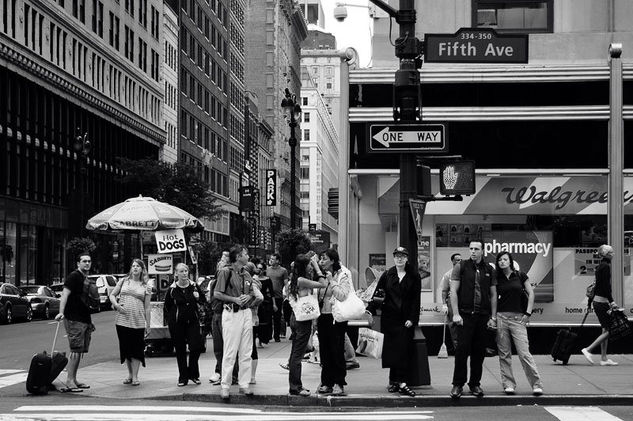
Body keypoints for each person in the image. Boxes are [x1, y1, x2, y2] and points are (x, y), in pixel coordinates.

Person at [449, 240, 497, 399]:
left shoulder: (489, 269)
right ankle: (458, 384)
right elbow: (453, 292)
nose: (473, 251)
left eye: (476, 249)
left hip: (483, 317)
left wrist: (493, 317)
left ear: (483, 251)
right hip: (465, 316)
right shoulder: (461, 266)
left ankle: (475, 384)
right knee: (461, 351)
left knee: (479, 352)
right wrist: (455, 314)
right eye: (471, 249)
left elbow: (493, 295)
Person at [371, 247, 421, 397]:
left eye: (402, 256)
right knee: (392, 352)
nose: (399, 259)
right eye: (397, 256)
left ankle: (402, 382)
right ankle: (394, 381)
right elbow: (378, 294)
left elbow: (415, 300)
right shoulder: (387, 274)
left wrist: (412, 319)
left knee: (403, 351)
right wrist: (369, 310)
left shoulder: (414, 275)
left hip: (405, 320)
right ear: (393, 258)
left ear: (407, 258)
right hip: (390, 319)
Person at [214, 245, 261, 400]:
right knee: (230, 350)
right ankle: (225, 385)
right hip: (231, 312)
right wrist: (234, 299)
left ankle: (244, 384)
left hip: (246, 312)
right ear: (238, 256)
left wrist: (249, 297)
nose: (247, 256)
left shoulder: (246, 273)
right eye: (245, 254)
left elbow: (254, 292)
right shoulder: (225, 272)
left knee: (246, 350)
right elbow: (217, 293)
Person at [494, 252, 543, 396]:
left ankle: (536, 384)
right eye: (500, 260)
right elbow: (492, 297)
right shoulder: (496, 278)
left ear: (510, 261)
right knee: (504, 354)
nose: (502, 262)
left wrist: (528, 313)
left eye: (505, 259)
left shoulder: (520, 276)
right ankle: (508, 384)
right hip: (501, 317)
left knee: (524, 353)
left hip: (518, 318)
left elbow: (531, 294)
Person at [54, 253, 95, 392]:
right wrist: (61, 312)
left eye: (89, 261)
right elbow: (64, 294)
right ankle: (70, 380)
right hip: (73, 318)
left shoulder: (84, 278)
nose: (87, 263)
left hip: (83, 318)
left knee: (80, 350)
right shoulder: (74, 276)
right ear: (78, 263)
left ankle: (74, 379)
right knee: (75, 350)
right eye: (84, 261)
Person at [287, 254, 327, 396]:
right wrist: (317, 268)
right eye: (309, 264)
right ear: (304, 266)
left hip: (296, 318)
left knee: (295, 354)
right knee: (297, 355)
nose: (311, 266)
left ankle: (294, 386)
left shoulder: (296, 279)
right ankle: (296, 387)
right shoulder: (302, 280)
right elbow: (323, 283)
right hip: (302, 320)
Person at [109, 258, 152, 386]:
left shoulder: (146, 286)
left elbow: (147, 307)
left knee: (137, 348)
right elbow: (112, 295)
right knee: (126, 348)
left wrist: (148, 325)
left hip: (138, 320)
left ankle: (135, 376)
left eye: (138, 266)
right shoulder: (123, 281)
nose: (135, 268)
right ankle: (129, 374)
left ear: (142, 269)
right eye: (133, 266)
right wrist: (116, 305)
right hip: (122, 320)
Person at [317, 248, 352, 396]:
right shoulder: (319, 275)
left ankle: (339, 382)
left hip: (336, 318)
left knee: (336, 350)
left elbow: (343, 295)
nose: (321, 262)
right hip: (322, 316)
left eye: (324, 259)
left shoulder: (342, 274)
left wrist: (331, 280)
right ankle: (326, 382)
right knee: (324, 351)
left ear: (332, 260)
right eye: (320, 259)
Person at [164, 263, 207, 387]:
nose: (184, 273)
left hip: (192, 321)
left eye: (186, 271)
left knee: (196, 347)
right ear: (176, 274)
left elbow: (203, 301)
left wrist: (198, 298)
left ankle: (193, 373)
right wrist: (171, 320)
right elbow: (167, 307)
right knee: (180, 350)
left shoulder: (194, 286)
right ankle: (183, 377)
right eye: (181, 271)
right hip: (177, 324)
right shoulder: (172, 289)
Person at [582, 244, 620, 366]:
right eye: (611, 252)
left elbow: (596, 285)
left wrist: (589, 303)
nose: (613, 254)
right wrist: (612, 301)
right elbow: (605, 286)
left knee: (605, 329)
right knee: (611, 329)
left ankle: (604, 358)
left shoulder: (600, 266)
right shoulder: (605, 267)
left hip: (598, 301)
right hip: (602, 302)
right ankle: (588, 349)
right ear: (607, 254)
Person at [208, 250, 230, 385]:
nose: (222, 261)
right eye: (221, 258)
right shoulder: (215, 280)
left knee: (226, 346)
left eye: (225, 258)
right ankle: (220, 372)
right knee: (218, 346)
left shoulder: (230, 275)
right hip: (216, 313)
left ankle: (226, 374)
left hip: (225, 313)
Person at [243, 261, 264, 385]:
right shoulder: (253, 281)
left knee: (250, 348)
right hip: (253, 318)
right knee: (251, 348)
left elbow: (260, 297)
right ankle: (251, 376)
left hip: (250, 318)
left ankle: (251, 376)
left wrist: (250, 305)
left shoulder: (251, 283)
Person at [439, 253, 462, 350]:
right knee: (453, 324)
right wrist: (444, 304)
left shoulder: (464, 273)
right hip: (452, 303)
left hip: (463, 301)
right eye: (457, 260)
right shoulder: (448, 275)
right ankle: (457, 348)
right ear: (452, 261)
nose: (459, 261)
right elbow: (444, 291)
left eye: (460, 259)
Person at [267, 253, 289, 342]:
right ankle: (268, 336)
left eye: (273, 259)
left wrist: (286, 294)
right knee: (268, 317)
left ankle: (277, 336)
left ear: (278, 261)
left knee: (277, 317)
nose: (271, 260)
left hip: (278, 296)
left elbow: (286, 283)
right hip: (268, 296)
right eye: (270, 259)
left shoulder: (283, 271)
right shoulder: (267, 270)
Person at [254, 262, 274, 347]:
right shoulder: (253, 279)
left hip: (265, 301)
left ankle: (261, 340)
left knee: (264, 321)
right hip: (256, 300)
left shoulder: (267, 279)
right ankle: (255, 339)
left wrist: (274, 304)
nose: (259, 270)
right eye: (258, 268)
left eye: (261, 269)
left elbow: (272, 292)